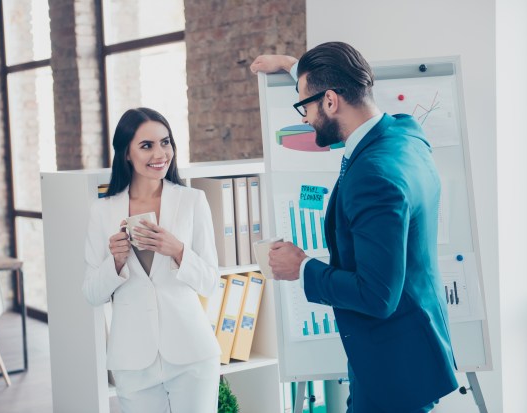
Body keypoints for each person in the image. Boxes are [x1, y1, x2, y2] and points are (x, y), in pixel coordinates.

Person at [250, 42, 458, 412]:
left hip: (392, 371)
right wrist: (294, 66)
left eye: (305, 105)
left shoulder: (373, 175)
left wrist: (303, 267)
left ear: (330, 101)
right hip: (409, 349)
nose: (303, 118)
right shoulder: (405, 134)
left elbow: (377, 296)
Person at [82, 107, 221, 413]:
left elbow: (212, 283)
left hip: (192, 354)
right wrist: (115, 262)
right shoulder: (102, 211)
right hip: (132, 359)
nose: (160, 153)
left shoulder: (192, 201)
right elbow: (92, 293)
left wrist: (178, 250)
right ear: (126, 154)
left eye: (165, 142)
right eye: (146, 145)